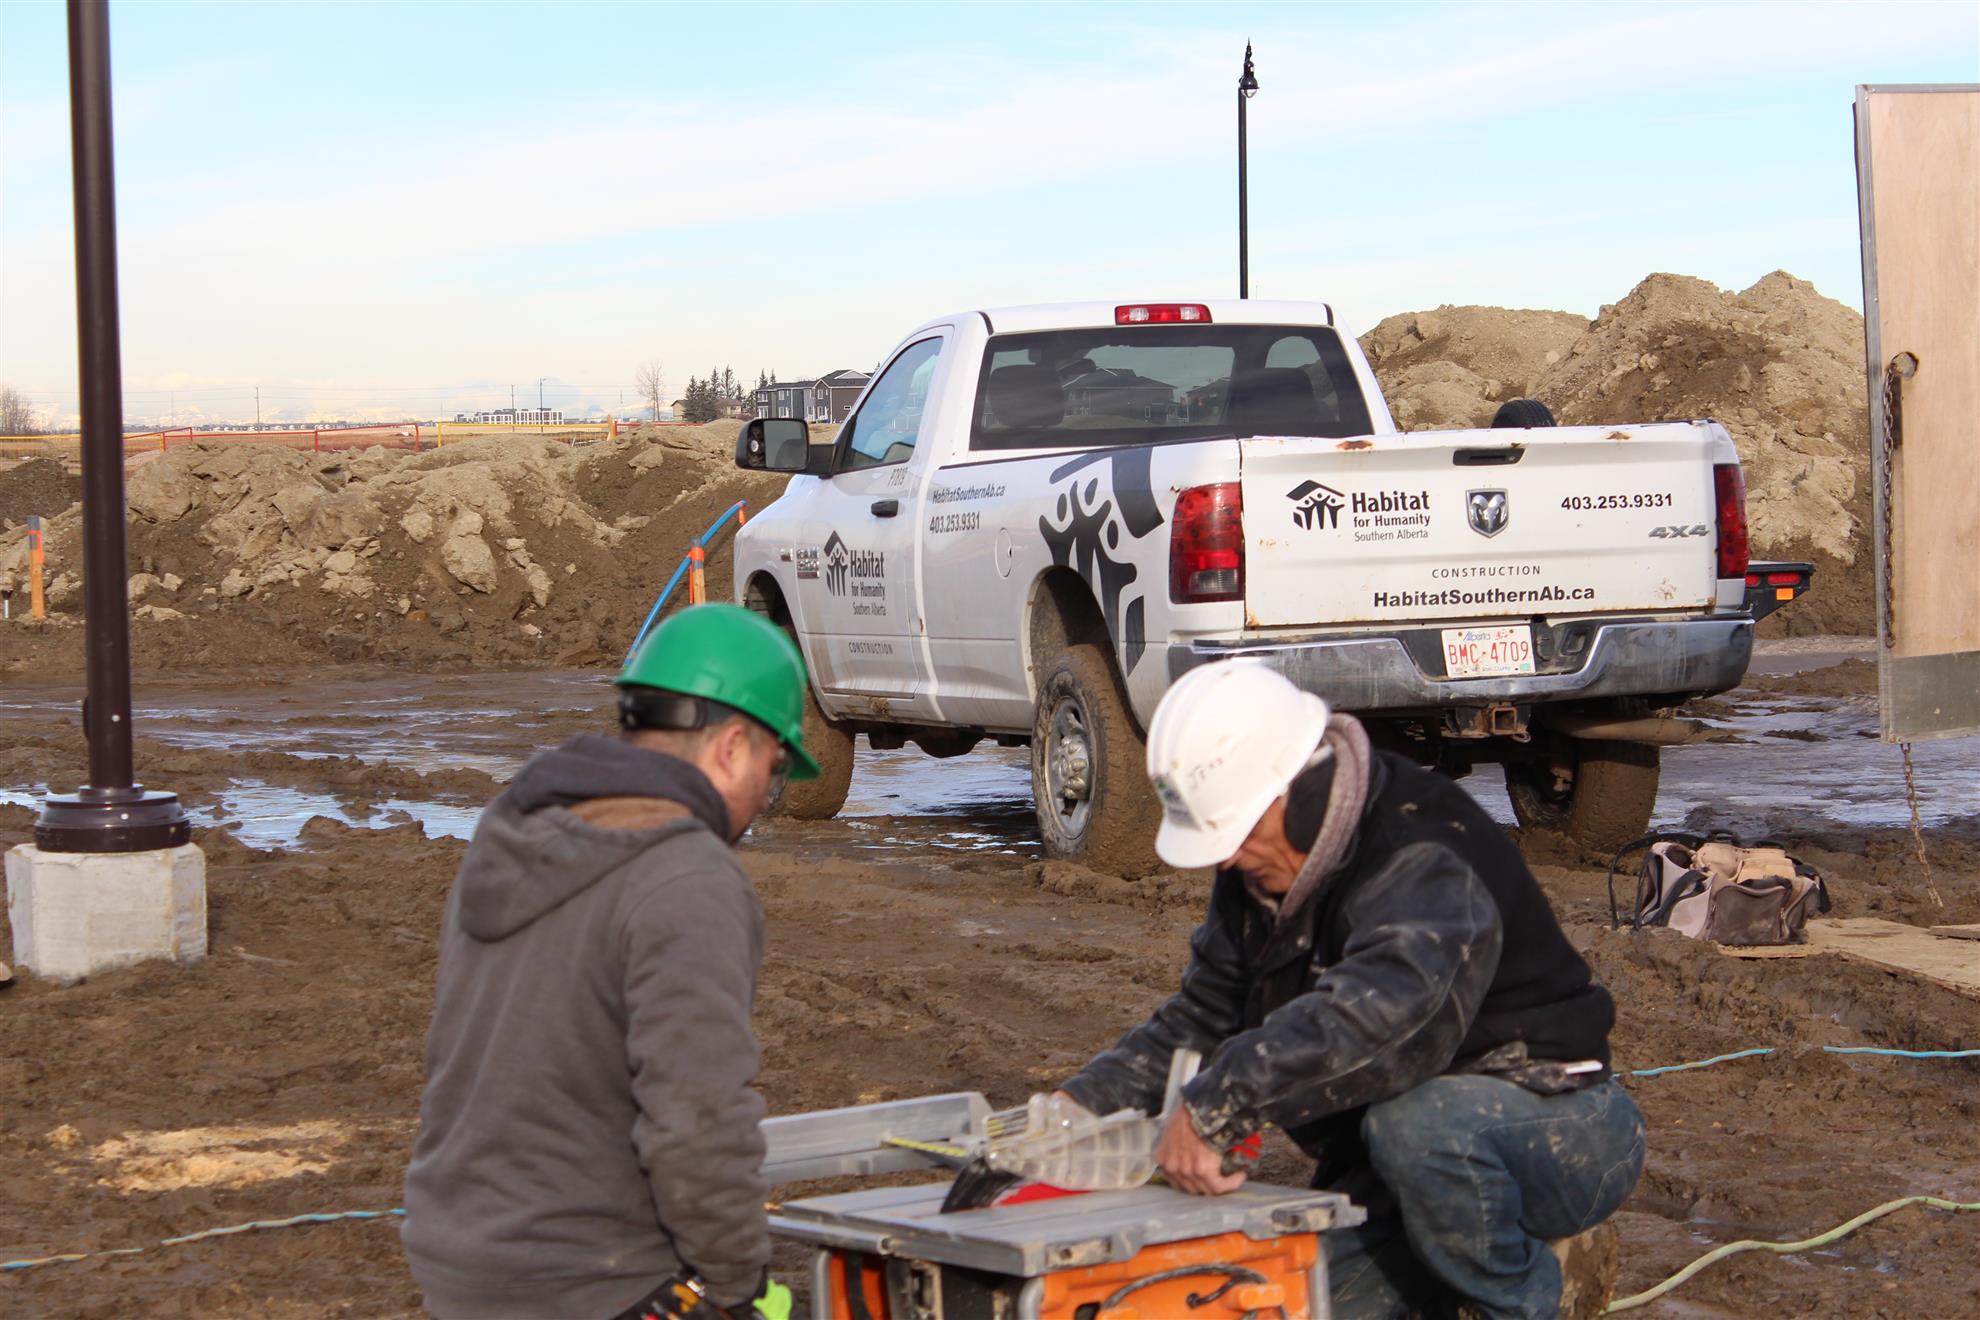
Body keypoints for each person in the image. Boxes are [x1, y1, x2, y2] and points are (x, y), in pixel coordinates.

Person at [1058, 661, 1644, 1320]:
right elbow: (1207, 1012)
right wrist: (1076, 1108)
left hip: (1559, 1126)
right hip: (1404, 1161)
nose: (1224, 858)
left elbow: (1380, 1018)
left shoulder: (1419, 847)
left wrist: (1216, 1104)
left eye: (1235, 832)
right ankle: (1465, 1259)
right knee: (1294, 1303)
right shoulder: (1257, 869)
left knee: (1416, 1127)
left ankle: (1519, 1295)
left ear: (1300, 791)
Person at [403, 604, 817, 1320]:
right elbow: (696, 1123)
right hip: (591, 1278)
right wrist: (739, 1286)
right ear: (732, 748)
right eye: (772, 775)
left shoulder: (512, 834)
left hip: (458, 1257)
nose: (761, 802)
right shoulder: (689, 877)